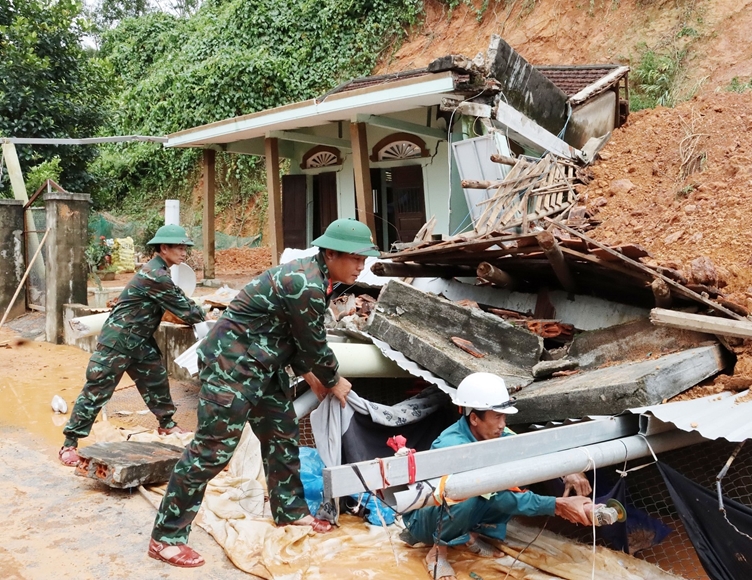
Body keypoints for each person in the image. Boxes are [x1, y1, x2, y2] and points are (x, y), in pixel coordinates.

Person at [148, 218, 380, 568]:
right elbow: (315, 345)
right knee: (211, 451)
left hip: (263, 365)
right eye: (355, 258)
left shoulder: (322, 279)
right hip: (232, 365)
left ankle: (290, 511)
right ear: (331, 253)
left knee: (281, 434)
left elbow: (296, 334)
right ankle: (166, 537)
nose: (361, 266)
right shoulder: (305, 283)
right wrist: (334, 379)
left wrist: (310, 375)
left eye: (364, 259)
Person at [402, 372, 595, 580]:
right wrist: (556, 505)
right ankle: (437, 553)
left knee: (507, 482)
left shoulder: (496, 434)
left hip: (463, 505)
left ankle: (470, 537)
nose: (503, 424)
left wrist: (568, 470)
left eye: (504, 417)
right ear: (474, 418)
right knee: (471, 495)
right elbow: (499, 497)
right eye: (497, 416)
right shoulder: (453, 446)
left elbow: (529, 450)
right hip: (424, 520)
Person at [59, 224, 206, 466]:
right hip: (117, 341)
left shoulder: (160, 273)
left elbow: (180, 302)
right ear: (164, 248)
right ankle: (70, 443)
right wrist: (212, 319)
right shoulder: (155, 275)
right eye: (179, 247)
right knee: (97, 391)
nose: (184, 252)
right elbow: (186, 309)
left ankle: (167, 425)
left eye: (185, 247)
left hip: (139, 341)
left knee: (156, 380)